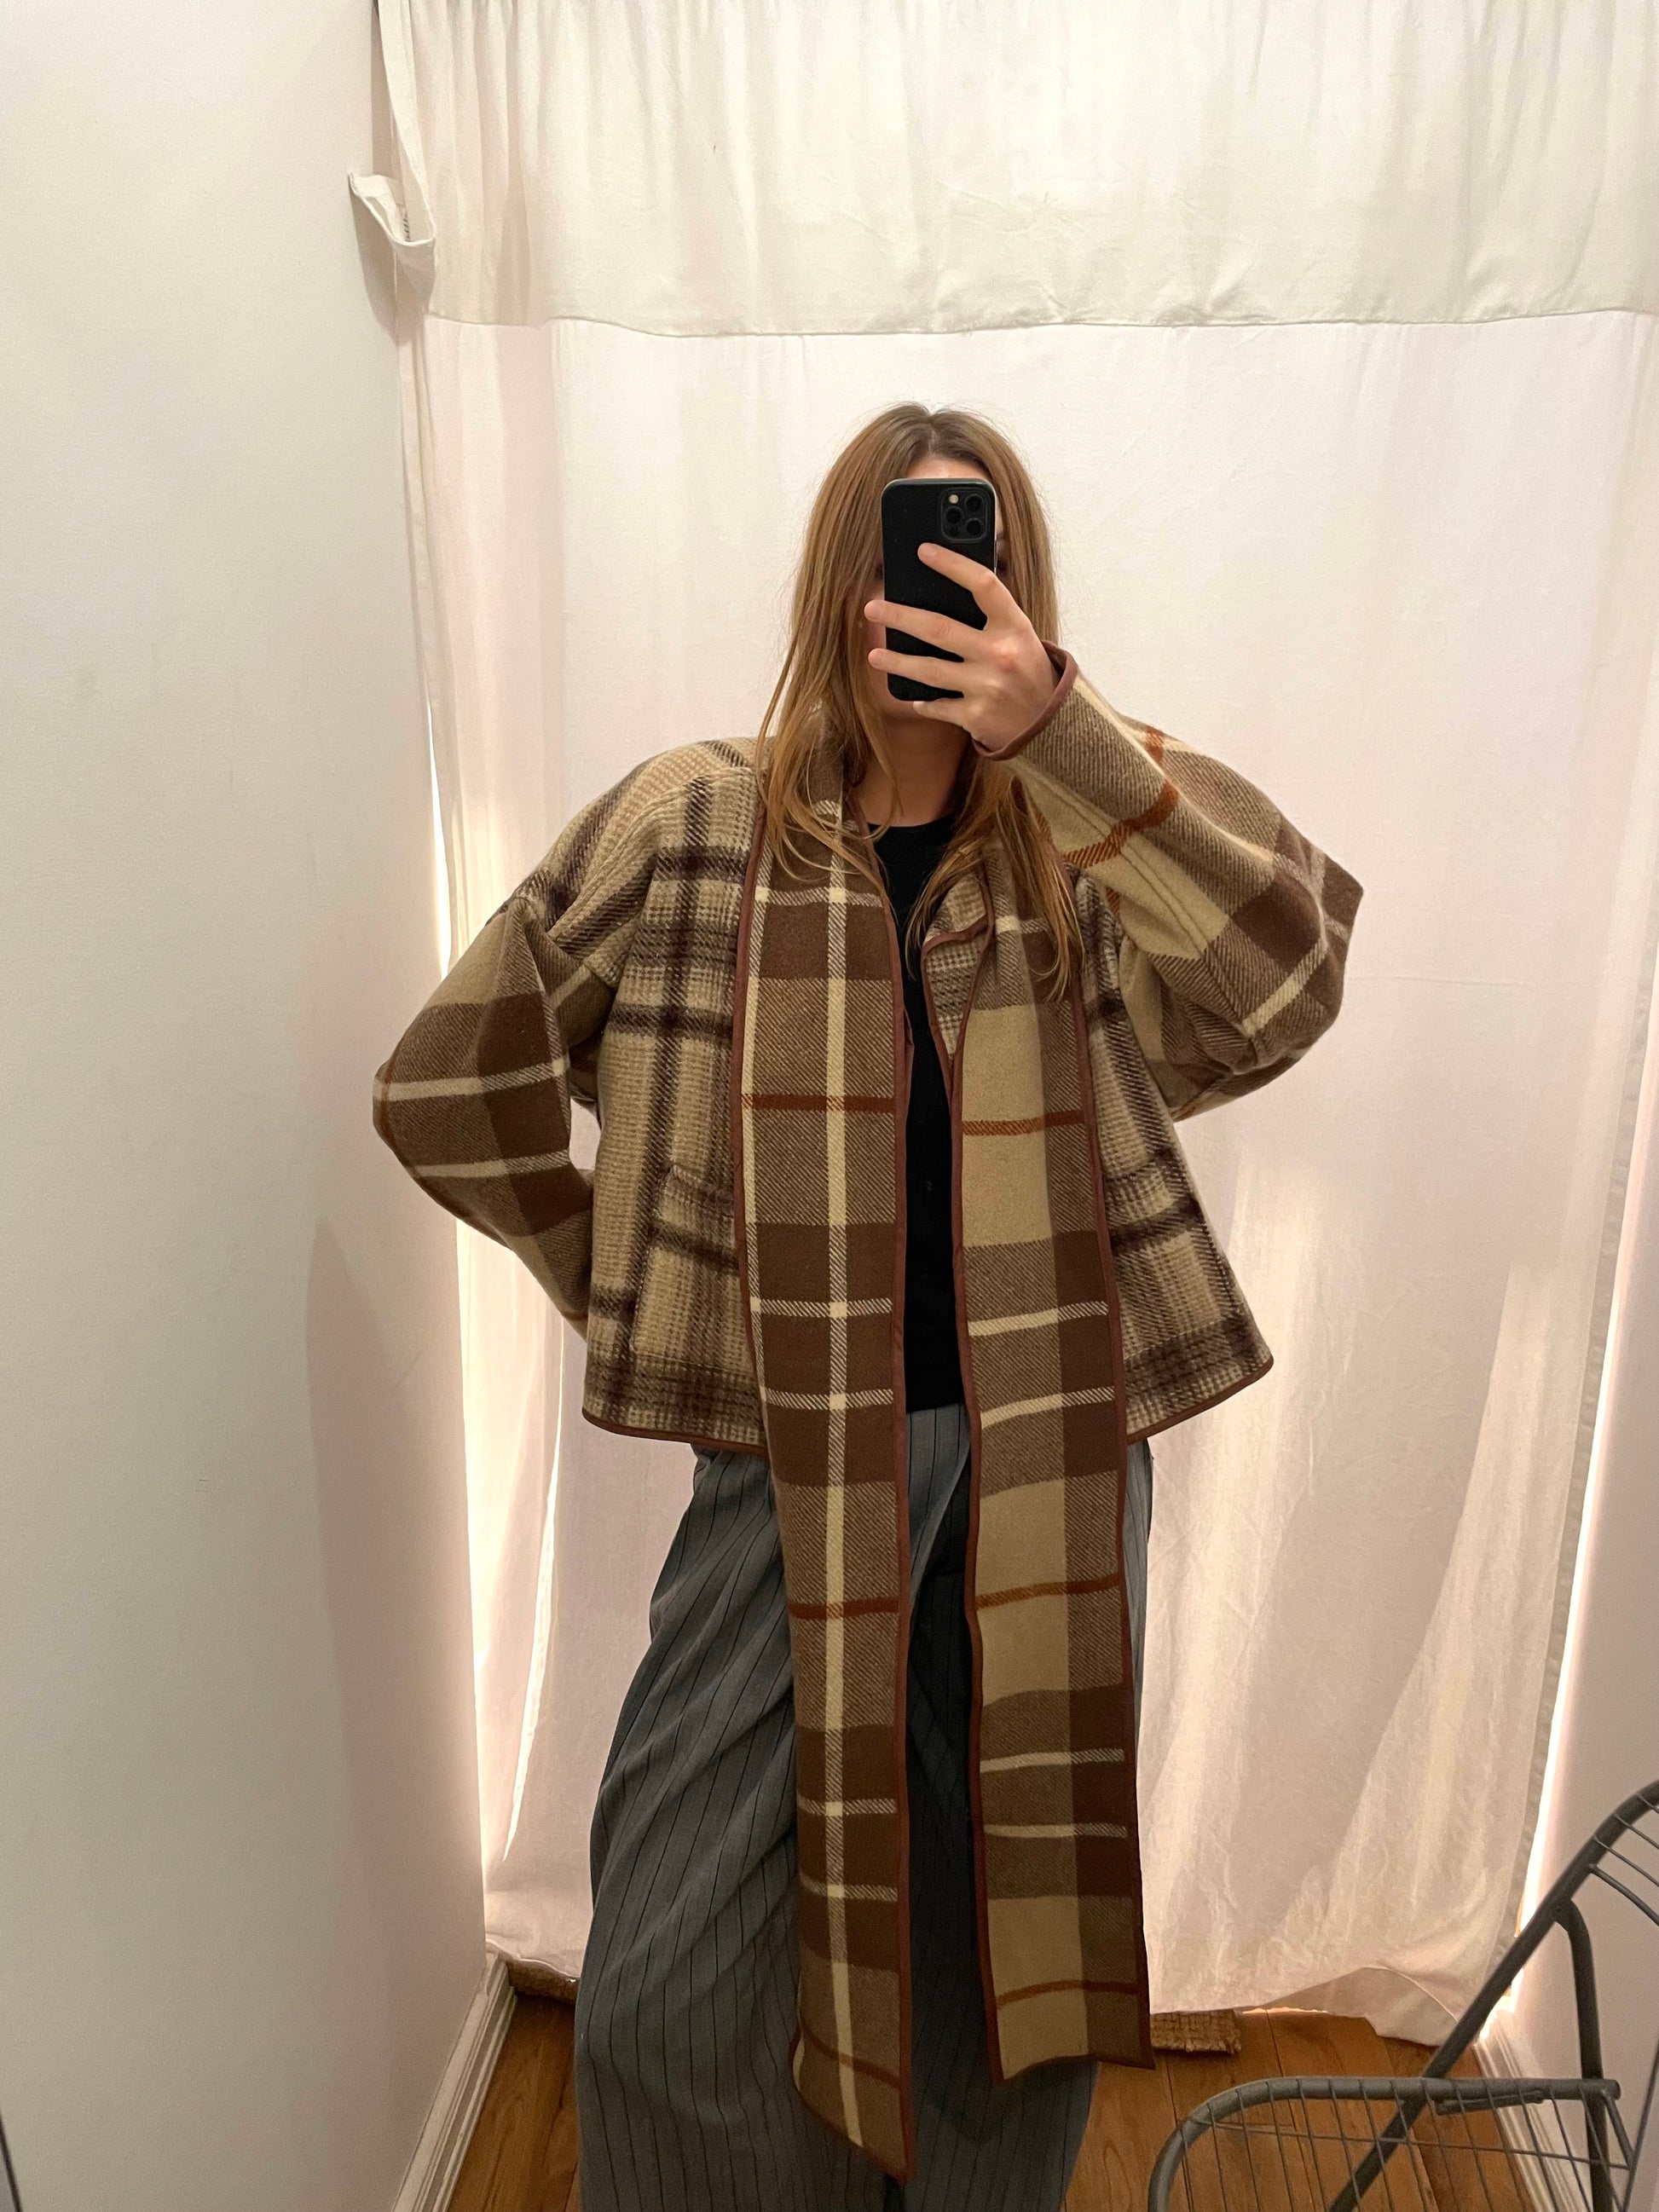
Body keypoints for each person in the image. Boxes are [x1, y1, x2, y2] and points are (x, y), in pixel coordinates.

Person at [373, 403, 1364, 2210]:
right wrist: (638, 1285)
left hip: (1047, 1456)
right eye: (901, 552)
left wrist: (1057, 734)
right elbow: (449, 1084)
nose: (931, 593)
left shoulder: (1078, 823)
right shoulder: (694, 823)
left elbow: (1288, 976)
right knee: (675, 1961)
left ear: (1017, 586)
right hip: (791, 1458)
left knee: (1011, 1930)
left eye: (971, 552)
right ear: (842, 579)